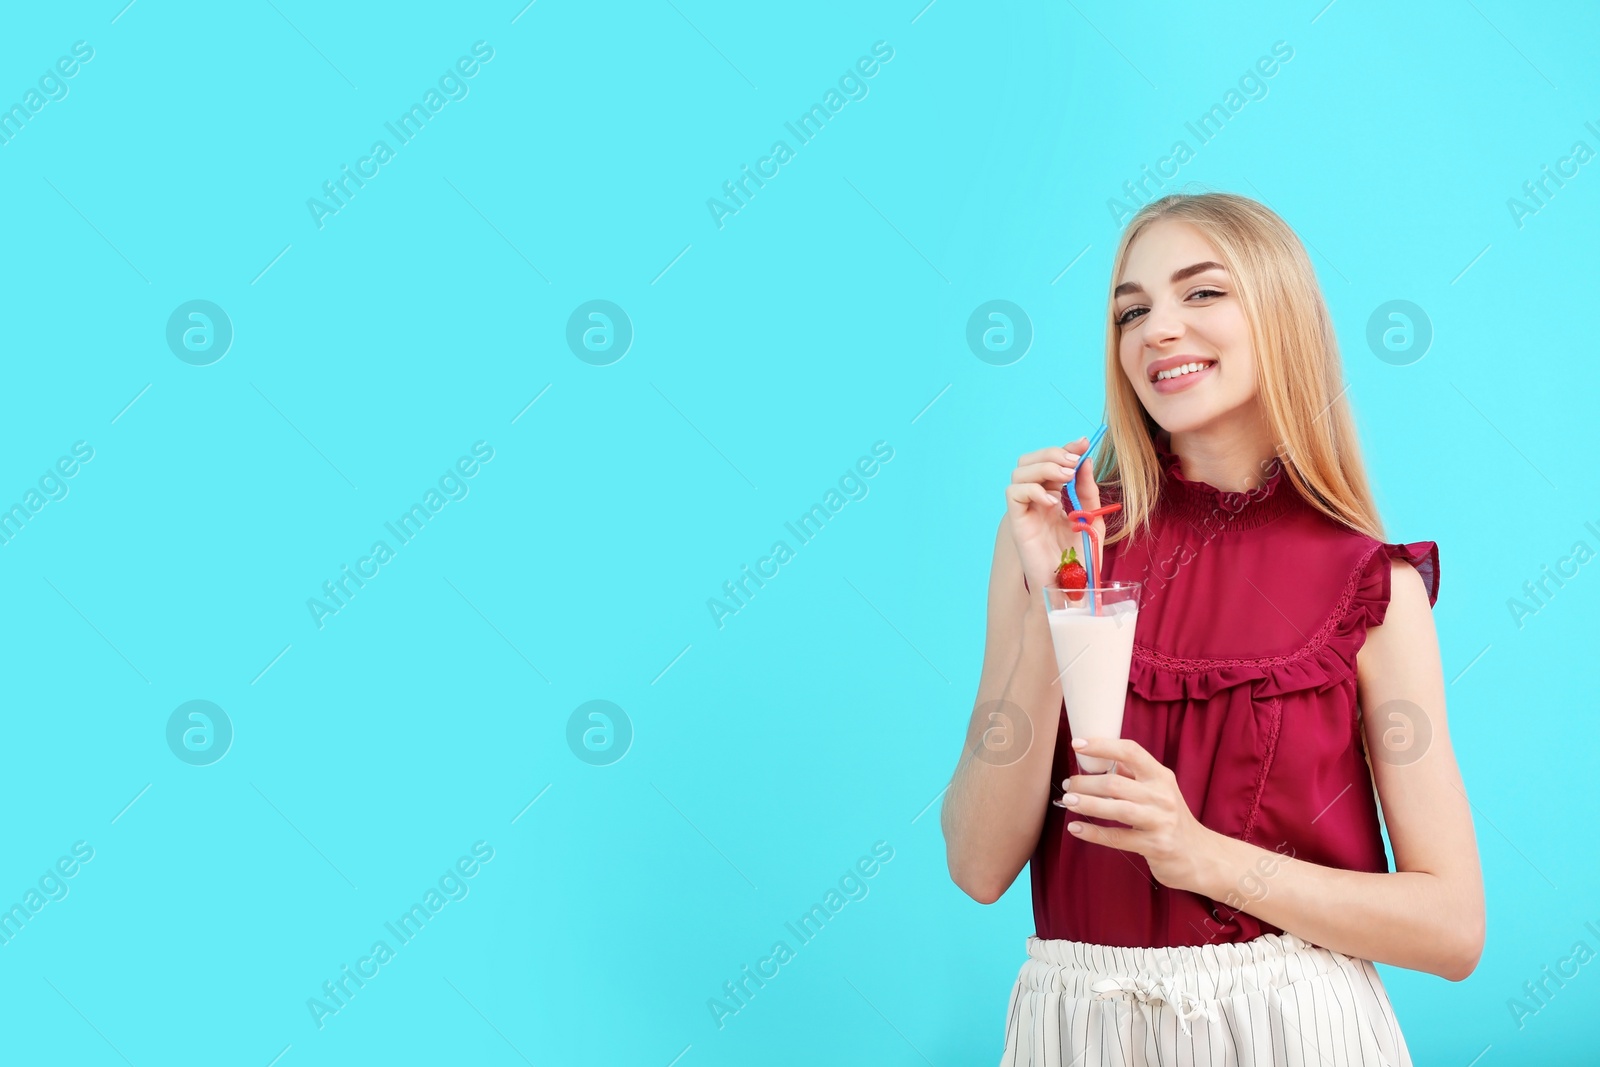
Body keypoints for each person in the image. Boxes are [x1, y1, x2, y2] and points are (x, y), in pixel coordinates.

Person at [940, 191, 1485, 1065]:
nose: (1158, 329)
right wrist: (1062, 601)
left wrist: (1202, 856)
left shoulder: (1372, 586)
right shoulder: (1054, 538)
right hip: (1077, 1032)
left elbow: (1453, 927)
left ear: (1280, 315)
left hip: (1296, 1033)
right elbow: (976, 863)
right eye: (1132, 309)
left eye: (1201, 293)